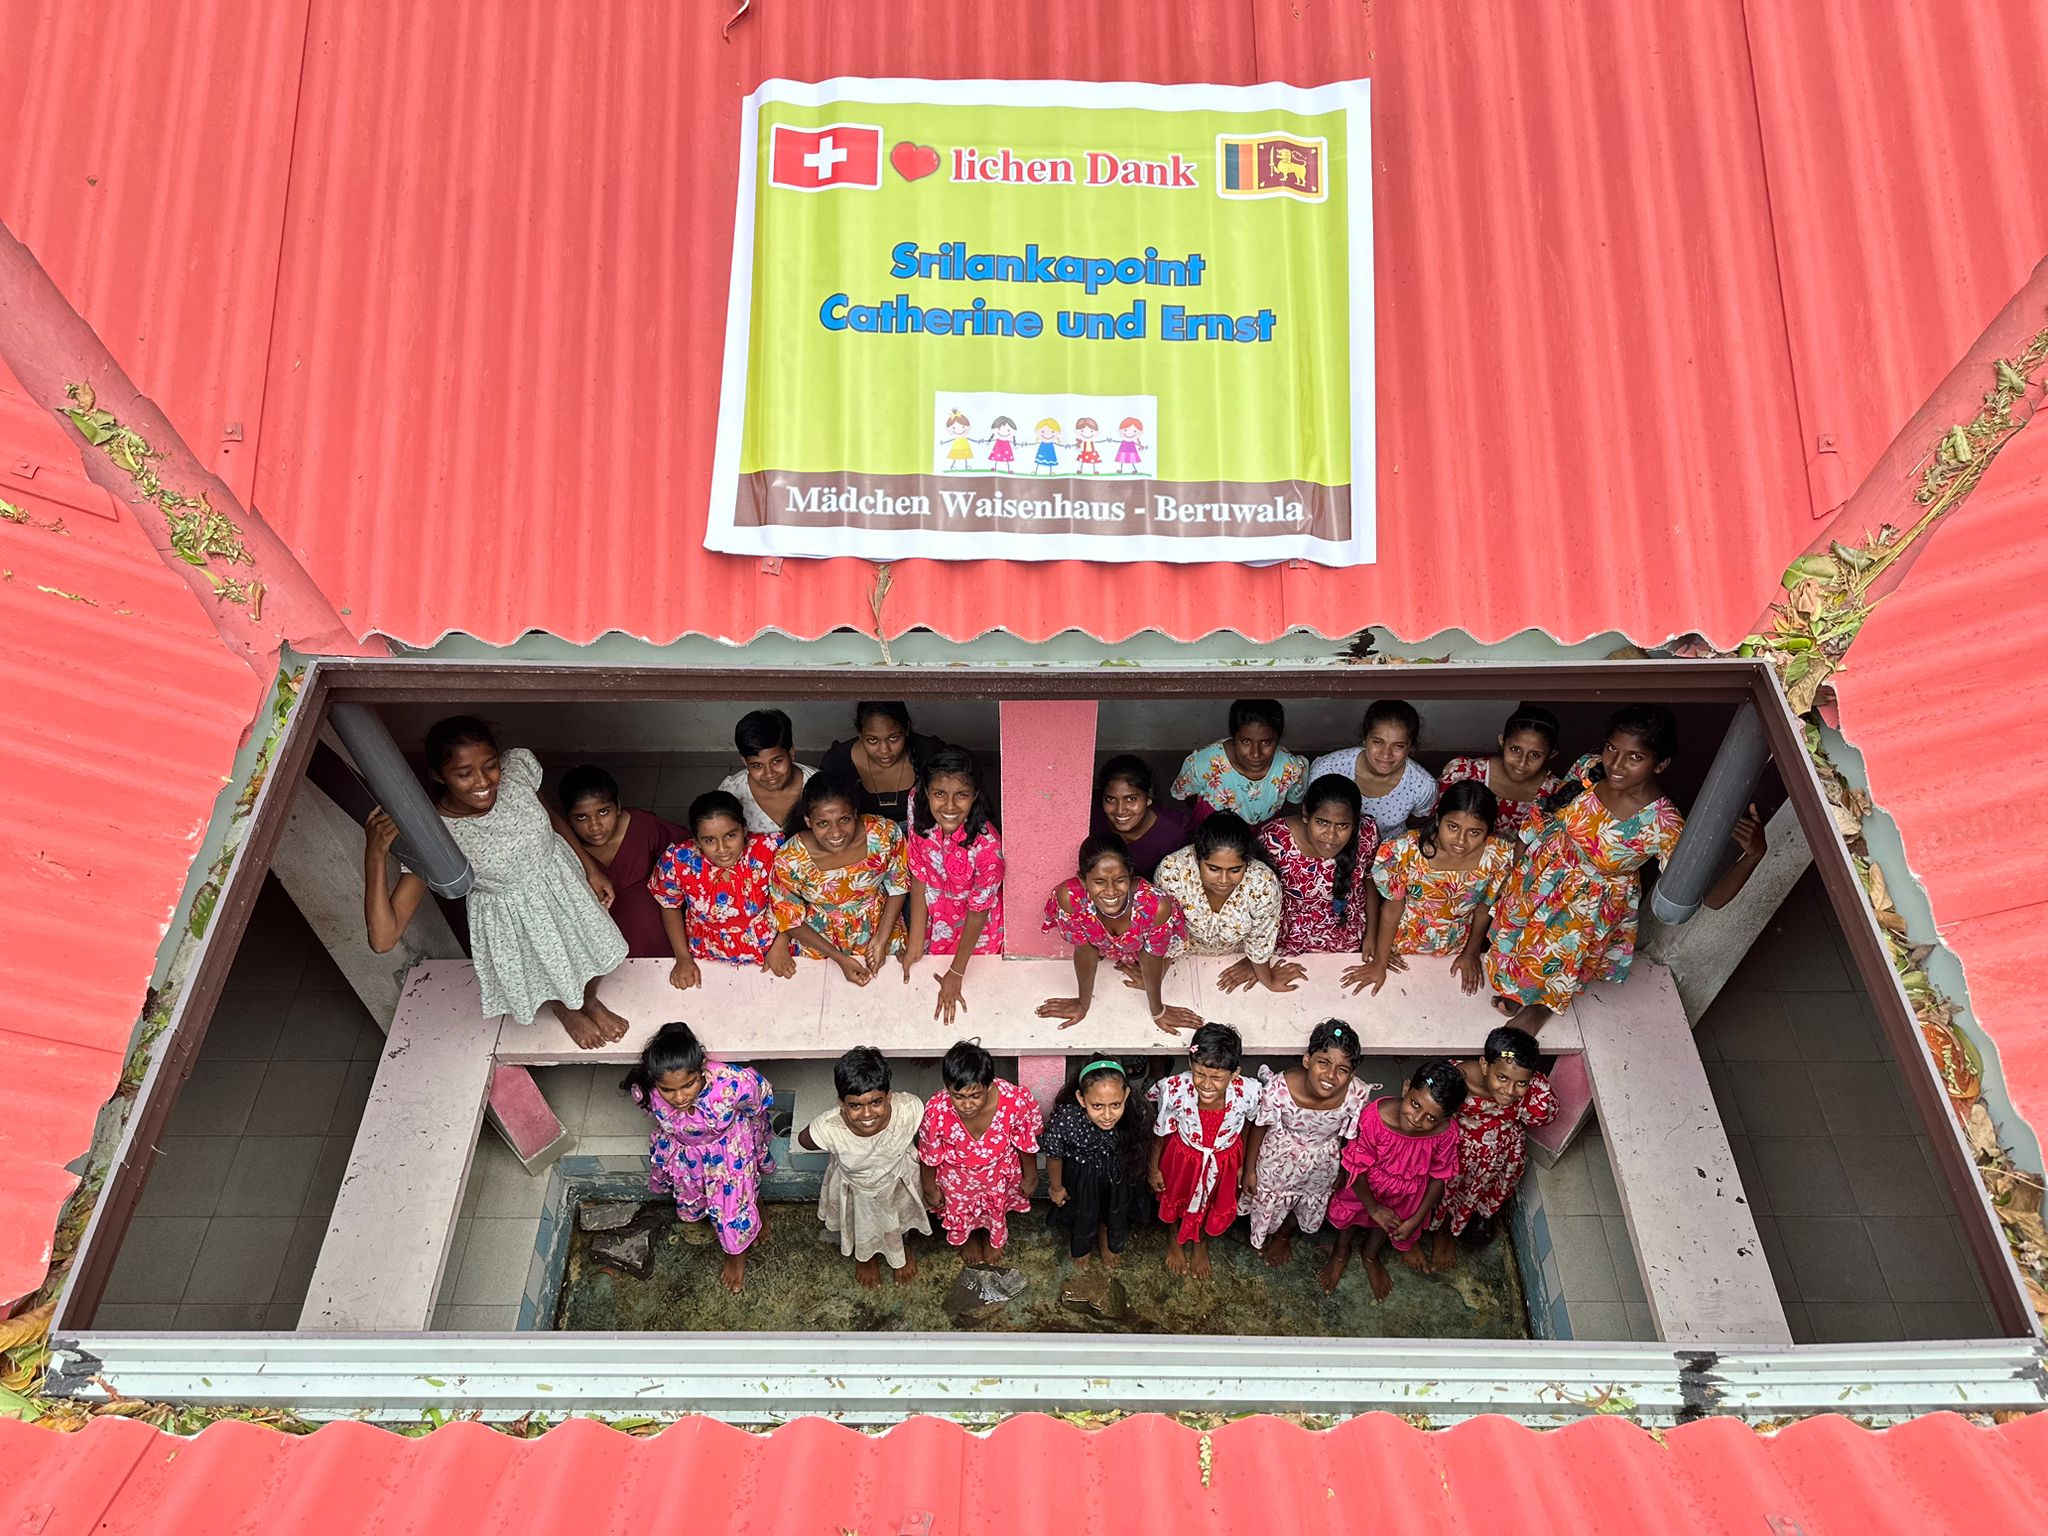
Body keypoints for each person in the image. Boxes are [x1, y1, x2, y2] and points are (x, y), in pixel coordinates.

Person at [1485, 704, 1767, 1025]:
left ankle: (1538, 1007)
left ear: (1660, 764)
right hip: (1540, 874)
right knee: (1518, 938)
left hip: (1581, 907)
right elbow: (1547, 812)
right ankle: (1513, 990)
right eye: (1612, 749)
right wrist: (1518, 863)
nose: (1616, 765)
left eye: (1636, 757)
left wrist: (1753, 857)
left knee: (1551, 961)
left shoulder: (1663, 824)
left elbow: (1709, 899)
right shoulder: (1590, 768)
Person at [362, 717, 629, 1050]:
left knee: (590, 948)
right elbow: (383, 938)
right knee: (547, 966)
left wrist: (590, 868)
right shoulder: (435, 838)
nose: (483, 781)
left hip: (563, 885)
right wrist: (374, 855)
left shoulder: (516, 773)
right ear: (438, 775)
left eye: (489, 766)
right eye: (464, 774)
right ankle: (565, 1009)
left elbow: (551, 819)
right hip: (515, 919)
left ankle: (588, 1000)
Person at [621, 1022, 774, 1293]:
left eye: (689, 1085)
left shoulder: (731, 1083)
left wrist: (748, 1134)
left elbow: (759, 1098)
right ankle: (745, 1206)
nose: (679, 1097)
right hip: (687, 1157)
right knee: (700, 1200)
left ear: (702, 1067)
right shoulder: (645, 1090)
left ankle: (736, 1254)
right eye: (668, 1090)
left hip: (728, 1155)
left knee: (733, 1210)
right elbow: (653, 1112)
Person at [1347, 781, 1516, 997]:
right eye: (1452, 827)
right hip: (1401, 944)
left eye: (1474, 832)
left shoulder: (1498, 857)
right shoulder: (1405, 850)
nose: (1461, 841)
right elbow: (1392, 910)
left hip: (1456, 945)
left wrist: (1471, 954)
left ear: (1488, 831)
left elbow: (1484, 910)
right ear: (1438, 819)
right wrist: (1380, 962)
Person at [1320, 1058, 1467, 1300]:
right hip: (1363, 1189)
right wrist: (1373, 1207)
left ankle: (1370, 1255)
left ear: (1446, 1119)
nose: (1417, 1120)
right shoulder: (1374, 1118)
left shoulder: (1446, 1134)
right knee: (1350, 1220)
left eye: (1432, 1118)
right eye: (1415, 1104)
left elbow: (1439, 1178)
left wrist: (1416, 1219)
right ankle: (1340, 1251)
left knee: (1391, 1223)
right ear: (1406, 1088)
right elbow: (1356, 1169)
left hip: (1407, 1195)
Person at [1420, 1026, 1556, 1273]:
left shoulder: (1529, 1088)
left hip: (1501, 1155)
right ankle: (1443, 1232)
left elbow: (1541, 1117)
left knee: (1480, 1190)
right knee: (1447, 1193)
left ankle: (1472, 1218)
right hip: (1458, 1152)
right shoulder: (1458, 1078)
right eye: (1502, 1078)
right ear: (1484, 1066)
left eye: (1521, 1083)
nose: (1509, 1090)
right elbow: (1432, 1106)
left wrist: (1534, 1088)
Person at [1241, 1020, 1374, 1266]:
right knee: (1271, 1199)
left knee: (1307, 1198)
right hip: (1278, 1158)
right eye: (1323, 1063)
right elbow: (1260, 1126)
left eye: (1342, 1069)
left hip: (1324, 1162)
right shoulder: (1280, 1088)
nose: (1331, 1076)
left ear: (1352, 1074)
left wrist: (1343, 1170)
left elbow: (1349, 1136)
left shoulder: (1356, 1095)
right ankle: (1265, 1234)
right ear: (1307, 1060)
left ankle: (1283, 1236)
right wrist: (1249, 1170)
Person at [797, 1045, 929, 1287]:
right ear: (841, 1104)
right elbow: (804, 1140)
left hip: (898, 1182)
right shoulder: (829, 1126)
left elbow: (924, 1136)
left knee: (901, 1220)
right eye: (855, 1105)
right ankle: (865, 1257)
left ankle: (903, 1248)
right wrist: (835, 1142)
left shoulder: (909, 1109)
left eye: (876, 1102)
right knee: (862, 1225)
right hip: (859, 1190)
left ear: (890, 1096)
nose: (867, 1114)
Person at [1037, 835, 1198, 1034]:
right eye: (1099, 881)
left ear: (1129, 874)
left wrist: (1157, 1011)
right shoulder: (1070, 897)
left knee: (1154, 970)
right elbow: (1085, 951)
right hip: (1110, 949)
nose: (1111, 891)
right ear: (1083, 880)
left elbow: (1152, 956)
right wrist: (1083, 1004)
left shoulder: (1154, 905)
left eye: (1120, 880)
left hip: (1147, 953)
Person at [766, 774, 910, 987]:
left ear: (854, 813)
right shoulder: (791, 859)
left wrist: (881, 940)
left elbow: (898, 885)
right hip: (820, 943)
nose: (836, 833)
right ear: (808, 821)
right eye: (823, 823)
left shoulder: (884, 834)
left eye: (844, 820)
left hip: (883, 927)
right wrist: (839, 958)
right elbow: (789, 920)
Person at [1147, 1022, 1259, 1279]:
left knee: (1211, 1201)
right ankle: (1174, 1236)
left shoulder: (1248, 1092)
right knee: (1175, 1196)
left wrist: (1244, 1165)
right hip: (1182, 1158)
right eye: (1200, 1074)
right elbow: (1160, 1131)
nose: (1206, 1084)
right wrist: (1153, 1169)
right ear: (1190, 1065)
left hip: (1225, 1161)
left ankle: (1201, 1241)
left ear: (1234, 1074)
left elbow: (1250, 1123)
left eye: (1216, 1077)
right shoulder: (1175, 1089)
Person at [902, 747, 1005, 1024]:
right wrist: (915, 940)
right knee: (922, 987)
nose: (949, 806)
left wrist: (957, 972)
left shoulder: (988, 846)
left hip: (975, 927)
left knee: (971, 1000)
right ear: (926, 793)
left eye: (961, 795)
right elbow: (920, 870)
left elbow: (979, 909)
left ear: (975, 796)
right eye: (939, 794)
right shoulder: (915, 803)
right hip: (933, 917)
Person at [917, 1040, 1041, 1266]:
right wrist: (929, 1188)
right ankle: (969, 1238)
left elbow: (1025, 1141)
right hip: (957, 1181)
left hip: (997, 1175)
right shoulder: (936, 1111)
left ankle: (991, 1235)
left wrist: (1030, 1176)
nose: (966, 1104)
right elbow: (929, 1154)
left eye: (975, 1095)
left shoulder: (1013, 1101)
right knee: (962, 1213)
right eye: (958, 1096)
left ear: (989, 1085)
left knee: (995, 1209)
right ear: (947, 1088)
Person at [1151, 812, 1301, 998]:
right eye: (1213, 869)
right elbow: (1165, 932)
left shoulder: (1264, 884)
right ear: (1197, 857)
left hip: (1236, 955)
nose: (1223, 880)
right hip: (1182, 956)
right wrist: (1154, 975)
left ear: (1248, 862)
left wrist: (1265, 978)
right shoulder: (1171, 873)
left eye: (1235, 870)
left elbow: (1260, 939)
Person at [649, 790, 785, 988]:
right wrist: (683, 958)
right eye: (709, 840)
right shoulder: (679, 860)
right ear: (696, 841)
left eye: (731, 835)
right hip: (705, 953)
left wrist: (781, 946)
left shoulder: (770, 850)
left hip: (770, 949)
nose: (722, 849)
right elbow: (669, 904)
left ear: (745, 830)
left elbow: (794, 899)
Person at [555, 766, 683, 959]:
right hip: (601, 943)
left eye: (604, 812)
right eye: (581, 817)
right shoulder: (562, 850)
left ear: (618, 807)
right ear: (568, 821)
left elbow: (686, 854)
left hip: (658, 933)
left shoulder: (643, 826)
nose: (595, 826)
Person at [1044, 1058, 1147, 1270]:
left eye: (1115, 1105)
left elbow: (1140, 1147)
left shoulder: (1134, 1113)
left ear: (1126, 1095)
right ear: (1081, 1099)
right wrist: (1056, 1187)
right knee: (1084, 1210)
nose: (1108, 1116)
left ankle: (1104, 1233)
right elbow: (1054, 1154)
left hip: (1117, 1174)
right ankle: (1083, 1245)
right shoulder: (1067, 1119)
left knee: (1114, 1207)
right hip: (1081, 1176)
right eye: (1097, 1106)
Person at [1260, 774, 1378, 957]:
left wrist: (1371, 936)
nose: (1331, 836)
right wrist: (1259, 954)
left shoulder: (1367, 832)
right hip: (1289, 945)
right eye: (1322, 822)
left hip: (1351, 941)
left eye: (1343, 826)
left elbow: (1370, 882)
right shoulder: (1275, 841)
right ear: (1306, 814)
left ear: (1354, 823)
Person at [1436, 704, 1562, 844]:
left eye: (1535, 755)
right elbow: (1438, 824)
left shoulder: (1556, 794)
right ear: (1502, 741)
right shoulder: (1464, 773)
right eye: (1515, 749)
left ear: (1551, 755)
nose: (1521, 763)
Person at [1308, 699, 1439, 832]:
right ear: (1365, 739)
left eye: (1398, 746)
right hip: (1330, 844)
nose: (1386, 754)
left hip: (1389, 848)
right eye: (1377, 742)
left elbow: (1418, 821)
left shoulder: (1422, 785)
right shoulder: (1327, 768)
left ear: (1411, 747)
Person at [1171, 699, 1310, 823]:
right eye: (1245, 741)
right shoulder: (1203, 764)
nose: (1255, 754)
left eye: (1266, 742)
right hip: (1215, 834)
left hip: (1263, 834)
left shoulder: (1291, 768)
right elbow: (1185, 794)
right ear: (1233, 737)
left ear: (1278, 739)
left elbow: (1293, 800)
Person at [818, 702, 946, 825]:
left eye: (893, 738)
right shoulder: (838, 761)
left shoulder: (932, 755)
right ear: (860, 734)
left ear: (907, 729)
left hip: (924, 839)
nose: (884, 750)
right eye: (872, 740)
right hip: (860, 841)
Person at [1090, 755, 1194, 879]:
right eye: (1110, 799)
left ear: (1149, 798)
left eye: (1131, 799)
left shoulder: (1176, 834)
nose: (1120, 810)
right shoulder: (1090, 812)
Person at [719, 709, 815, 835]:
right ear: (744, 761)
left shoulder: (817, 787)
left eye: (776, 761)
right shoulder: (731, 792)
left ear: (791, 752)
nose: (769, 774)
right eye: (757, 765)